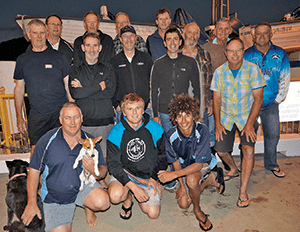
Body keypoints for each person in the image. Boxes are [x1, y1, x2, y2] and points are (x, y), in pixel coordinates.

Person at [21, 102, 110, 232]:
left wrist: (94, 171)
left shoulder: (90, 141)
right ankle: (75, 207)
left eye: (76, 117)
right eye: (67, 118)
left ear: (82, 118)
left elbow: (103, 169)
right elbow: (33, 172)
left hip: (82, 187)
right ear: (61, 120)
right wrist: (31, 203)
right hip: (56, 197)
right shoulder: (46, 141)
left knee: (103, 202)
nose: (72, 122)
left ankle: (88, 207)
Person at [211, 38, 266, 208]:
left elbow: (258, 99)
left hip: (246, 116)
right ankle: (234, 169)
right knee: (220, 149)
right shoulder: (219, 72)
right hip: (227, 116)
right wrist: (218, 124)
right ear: (225, 53)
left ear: (243, 51)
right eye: (231, 51)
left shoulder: (253, 70)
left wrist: (249, 124)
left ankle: (243, 191)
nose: (235, 54)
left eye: (238, 50)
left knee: (247, 150)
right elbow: (217, 100)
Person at [158, 94, 225, 232]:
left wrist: (173, 175)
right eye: (180, 116)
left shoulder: (202, 130)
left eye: (187, 115)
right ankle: (209, 181)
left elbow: (198, 165)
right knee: (183, 204)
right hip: (184, 166)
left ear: (194, 115)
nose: (183, 120)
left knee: (192, 181)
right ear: (174, 118)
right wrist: (181, 186)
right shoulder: (170, 135)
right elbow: (175, 161)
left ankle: (198, 210)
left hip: (203, 163)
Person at [14, 18, 72, 160]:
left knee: (63, 151)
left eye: (42, 33)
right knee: (36, 154)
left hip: (59, 113)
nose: (39, 36)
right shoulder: (22, 60)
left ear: (46, 33)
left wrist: (73, 110)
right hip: (37, 115)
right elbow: (19, 90)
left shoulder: (60, 57)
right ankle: (36, 183)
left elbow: (68, 86)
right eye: (35, 33)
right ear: (29, 35)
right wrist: (19, 117)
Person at [107, 93, 168, 220]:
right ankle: (128, 196)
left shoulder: (156, 128)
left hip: (147, 177)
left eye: (138, 108)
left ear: (143, 110)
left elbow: (163, 157)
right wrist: (134, 188)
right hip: (127, 173)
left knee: (153, 214)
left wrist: (153, 178)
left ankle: (138, 192)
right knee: (115, 196)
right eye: (130, 109)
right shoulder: (115, 133)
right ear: (123, 112)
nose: (134, 113)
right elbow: (113, 165)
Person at [244, 22, 291, 178]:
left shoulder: (280, 53)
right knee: (248, 134)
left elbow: (285, 77)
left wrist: (278, 99)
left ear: (271, 35)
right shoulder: (247, 54)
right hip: (250, 104)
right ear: (253, 36)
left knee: (273, 135)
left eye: (265, 33)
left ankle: (271, 164)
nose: (262, 36)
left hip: (271, 103)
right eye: (258, 33)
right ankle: (246, 165)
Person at [69, 32, 115, 160]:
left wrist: (84, 90)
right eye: (88, 45)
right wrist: (99, 87)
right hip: (84, 124)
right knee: (84, 161)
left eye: (95, 46)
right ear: (82, 47)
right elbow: (76, 94)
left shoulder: (108, 68)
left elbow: (110, 92)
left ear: (100, 48)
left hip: (105, 123)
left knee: (104, 161)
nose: (91, 49)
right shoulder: (75, 69)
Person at [150, 27, 201, 133]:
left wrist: (197, 113)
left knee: (185, 143)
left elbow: (197, 89)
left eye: (175, 39)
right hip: (164, 113)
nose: (172, 42)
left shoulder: (190, 62)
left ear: (180, 42)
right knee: (169, 143)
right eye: (169, 39)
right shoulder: (158, 64)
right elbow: (154, 91)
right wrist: (155, 115)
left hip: (184, 113)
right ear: (164, 43)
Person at [110, 25, 153, 123]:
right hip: (123, 111)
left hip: (145, 109)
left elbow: (154, 82)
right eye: (125, 36)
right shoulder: (114, 62)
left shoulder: (146, 59)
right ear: (120, 39)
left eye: (131, 36)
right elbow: (111, 86)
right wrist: (116, 105)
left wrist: (149, 103)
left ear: (135, 38)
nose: (128, 39)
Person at [181, 22, 214, 146]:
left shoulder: (205, 55)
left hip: (202, 106)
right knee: (184, 140)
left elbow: (210, 80)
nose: (193, 35)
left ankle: (203, 164)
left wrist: (210, 102)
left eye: (196, 33)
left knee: (202, 139)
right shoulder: (177, 56)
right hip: (183, 108)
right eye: (190, 32)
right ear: (184, 34)